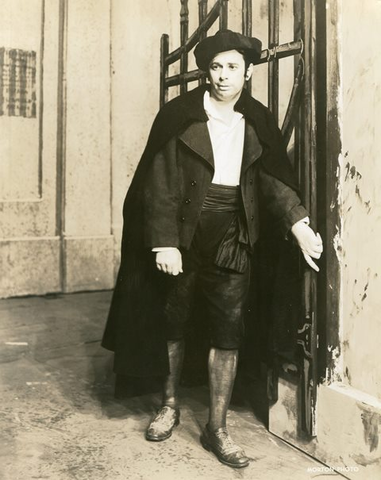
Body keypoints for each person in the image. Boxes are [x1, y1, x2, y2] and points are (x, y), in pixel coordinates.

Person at [102, 30, 323, 469]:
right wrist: (164, 242)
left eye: (233, 68)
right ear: (207, 72)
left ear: (248, 71)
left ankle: (217, 428)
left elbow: (273, 181)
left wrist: (298, 224)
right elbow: (159, 184)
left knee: (228, 328)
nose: (224, 76)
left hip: (234, 234)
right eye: (216, 67)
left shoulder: (256, 119)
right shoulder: (179, 115)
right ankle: (168, 405)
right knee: (173, 320)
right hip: (184, 233)